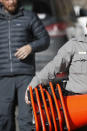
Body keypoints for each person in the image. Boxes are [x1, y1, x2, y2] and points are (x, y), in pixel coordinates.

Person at [0, 0, 50, 130]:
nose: (11, 2)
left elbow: (45, 40)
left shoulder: (29, 16)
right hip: (3, 78)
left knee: (26, 119)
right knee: (3, 119)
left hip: (25, 76)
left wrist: (30, 47)